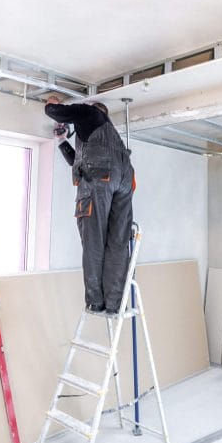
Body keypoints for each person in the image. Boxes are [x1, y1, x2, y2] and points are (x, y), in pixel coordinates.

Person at [45, 97, 135, 315]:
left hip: (100, 182)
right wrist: (62, 141)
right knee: (117, 242)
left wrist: (51, 102)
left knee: (94, 241)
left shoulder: (90, 113)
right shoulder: (110, 138)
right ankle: (114, 304)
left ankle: (96, 301)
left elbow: (55, 111)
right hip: (124, 180)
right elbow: (82, 161)